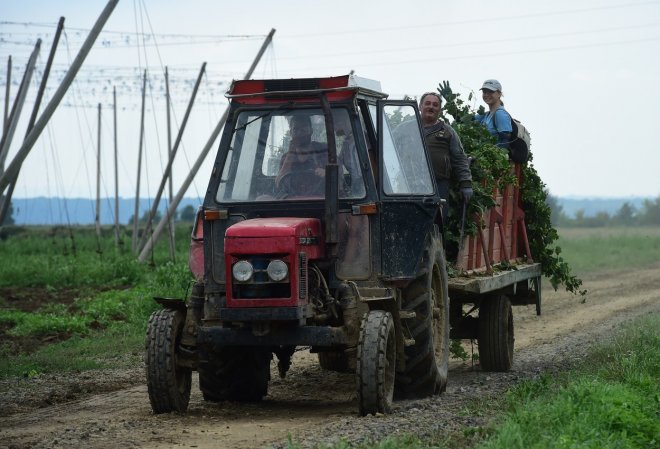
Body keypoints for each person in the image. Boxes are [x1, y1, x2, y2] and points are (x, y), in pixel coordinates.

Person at [418, 91, 473, 209]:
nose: (431, 107)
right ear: (420, 106)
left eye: (435, 105)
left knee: (436, 220)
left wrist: (466, 184)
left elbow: (459, 158)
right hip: (409, 185)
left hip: (438, 185)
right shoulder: (406, 128)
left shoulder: (448, 132)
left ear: (440, 110)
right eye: (427, 103)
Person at [275, 114, 327, 198]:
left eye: (303, 129)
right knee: (261, 199)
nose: (300, 133)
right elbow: (278, 183)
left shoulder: (324, 150)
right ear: (291, 132)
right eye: (296, 130)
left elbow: (338, 177)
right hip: (294, 203)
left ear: (311, 131)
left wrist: (327, 173)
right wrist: (290, 153)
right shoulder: (286, 158)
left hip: (321, 201)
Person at [475, 79, 513, 149]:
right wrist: (450, 101)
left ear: (499, 94)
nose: (486, 94)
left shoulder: (500, 114)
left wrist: (495, 156)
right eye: (484, 92)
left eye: (490, 92)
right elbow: (464, 120)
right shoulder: (485, 115)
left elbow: (505, 141)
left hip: (493, 158)